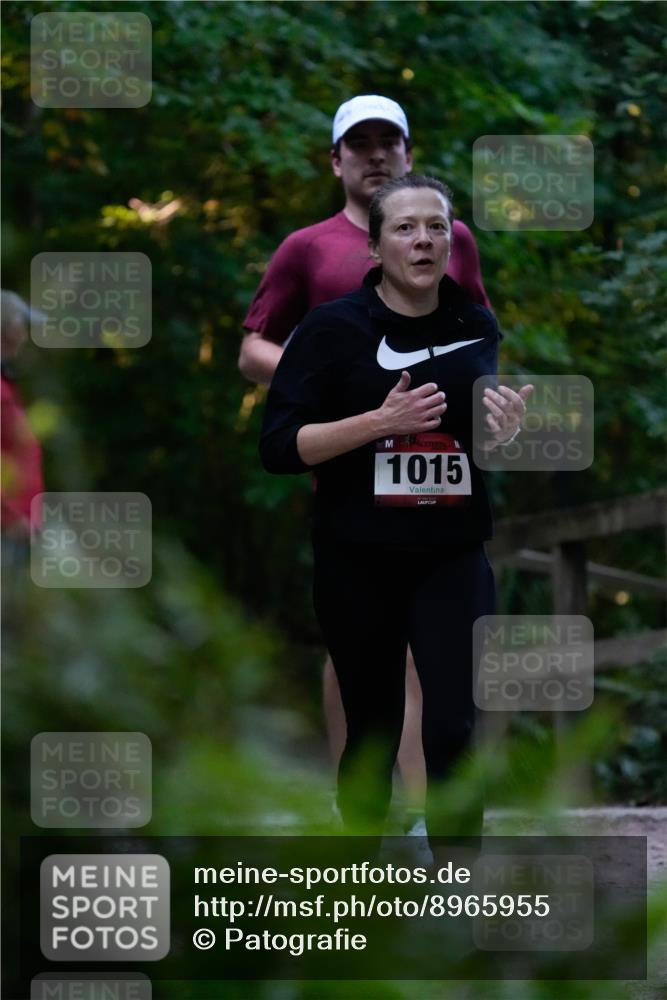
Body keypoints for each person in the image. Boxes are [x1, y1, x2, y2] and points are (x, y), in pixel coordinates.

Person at [241, 95, 491, 828]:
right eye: (360, 144)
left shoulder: (453, 242)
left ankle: (427, 827)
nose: (375, 154)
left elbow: (475, 346)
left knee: (441, 678)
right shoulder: (307, 249)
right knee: (364, 668)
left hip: (442, 496)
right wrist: (337, 382)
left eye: (390, 142)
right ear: (336, 159)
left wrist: (496, 410)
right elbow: (253, 351)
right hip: (344, 472)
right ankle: (356, 806)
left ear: (409, 152)